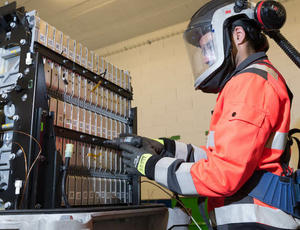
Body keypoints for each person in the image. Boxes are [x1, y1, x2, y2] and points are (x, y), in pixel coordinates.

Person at [105, 0, 300, 229]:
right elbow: (220, 158)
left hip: (257, 222)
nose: (206, 58)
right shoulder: (256, 80)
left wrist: (149, 165)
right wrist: (163, 147)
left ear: (238, 35)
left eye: (208, 47)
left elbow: (222, 175)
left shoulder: (249, 83)